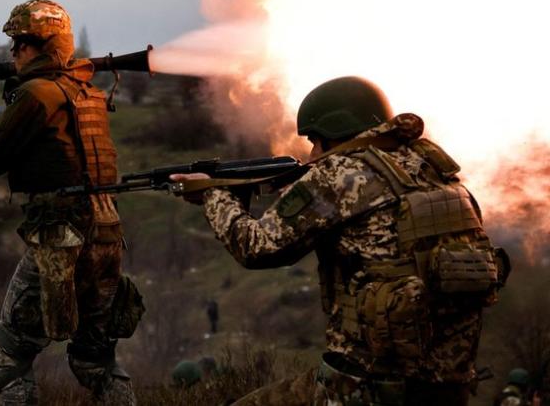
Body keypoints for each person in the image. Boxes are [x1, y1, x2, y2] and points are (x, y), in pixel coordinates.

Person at [172, 76, 509, 406]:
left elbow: (256, 247)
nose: (312, 154)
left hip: (365, 385)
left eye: (315, 142)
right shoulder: (436, 172)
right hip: (447, 386)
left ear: (336, 133)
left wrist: (213, 194)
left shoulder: (339, 174)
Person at [0, 0, 142, 406]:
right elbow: (41, 149)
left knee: (7, 353)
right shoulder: (83, 91)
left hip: (60, 236)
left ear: (45, 46)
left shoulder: (36, 94)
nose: (14, 52)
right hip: (106, 235)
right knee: (95, 360)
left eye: (22, 43)